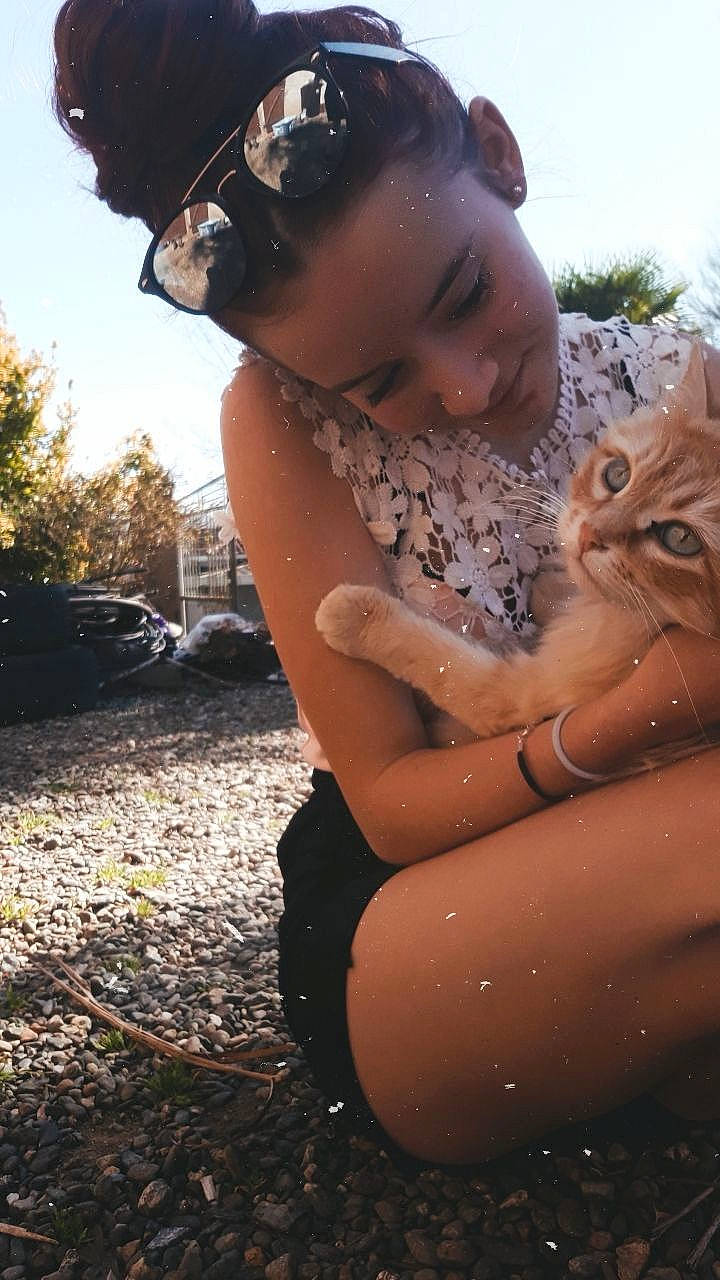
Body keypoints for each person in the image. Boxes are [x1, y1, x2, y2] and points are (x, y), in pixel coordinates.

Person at [53, 0, 720, 1167]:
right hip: (423, 909)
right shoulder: (278, 418)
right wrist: (635, 718)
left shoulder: (681, 379)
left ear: (500, 155)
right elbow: (392, 806)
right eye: (378, 382)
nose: (464, 386)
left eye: (463, 295)